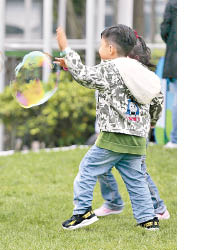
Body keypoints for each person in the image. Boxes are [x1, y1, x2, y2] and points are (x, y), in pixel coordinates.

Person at [55, 24, 164, 231]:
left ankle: (83, 212)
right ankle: (148, 220)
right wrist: (152, 122)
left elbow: (85, 76)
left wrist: (66, 50)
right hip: (138, 137)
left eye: (101, 45)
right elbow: (157, 98)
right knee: (136, 180)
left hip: (114, 136)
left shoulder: (110, 68)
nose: (100, 48)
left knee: (87, 169)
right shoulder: (139, 70)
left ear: (111, 49)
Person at [94, 35, 170, 220]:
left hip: (136, 132)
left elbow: (157, 100)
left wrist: (151, 121)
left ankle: (158, 208)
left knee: (138, 170)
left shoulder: (143, 78)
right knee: (99, 166)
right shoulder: (111, 70)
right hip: (112, 130)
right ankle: (113, 202)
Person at [161, 0, 177, 148]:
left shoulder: (173, 3)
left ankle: (176, 139)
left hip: (176, 59)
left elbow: (165, 31)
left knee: (178, 98)